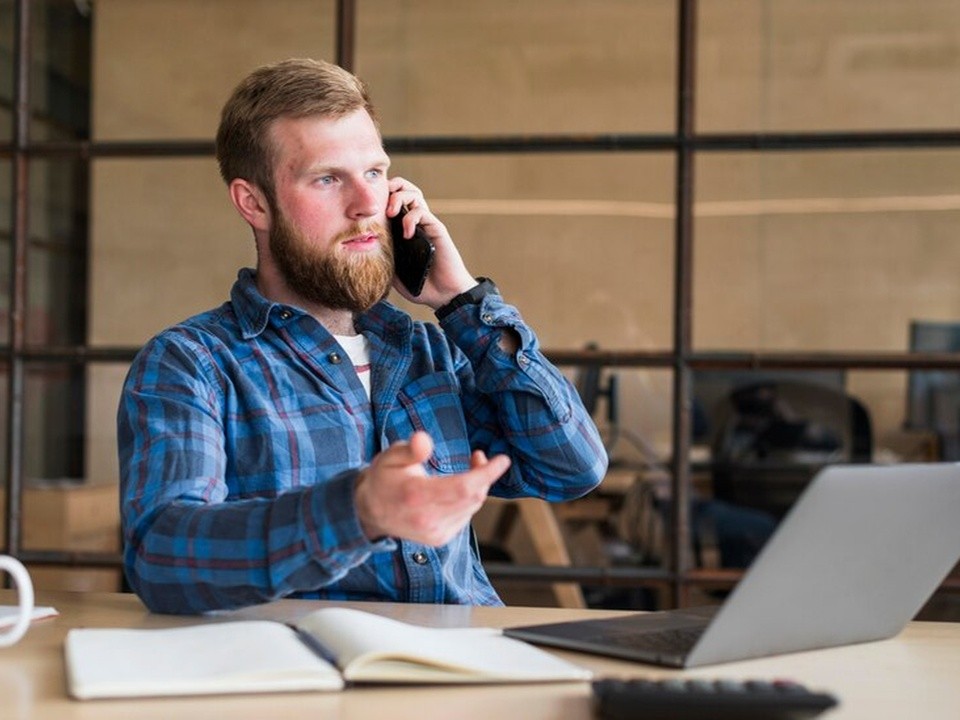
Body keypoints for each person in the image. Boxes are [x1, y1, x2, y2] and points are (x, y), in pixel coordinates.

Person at [117, 58, 607, 614]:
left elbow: (572, 468)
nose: (367, 204)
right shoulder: (192, 364)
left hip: (458, 678)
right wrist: (357, 513)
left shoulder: (432, 352)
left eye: (374, 173)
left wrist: (463, 302)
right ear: (253, 203)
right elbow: (161, 555)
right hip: (304, 681)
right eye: (328, 179)